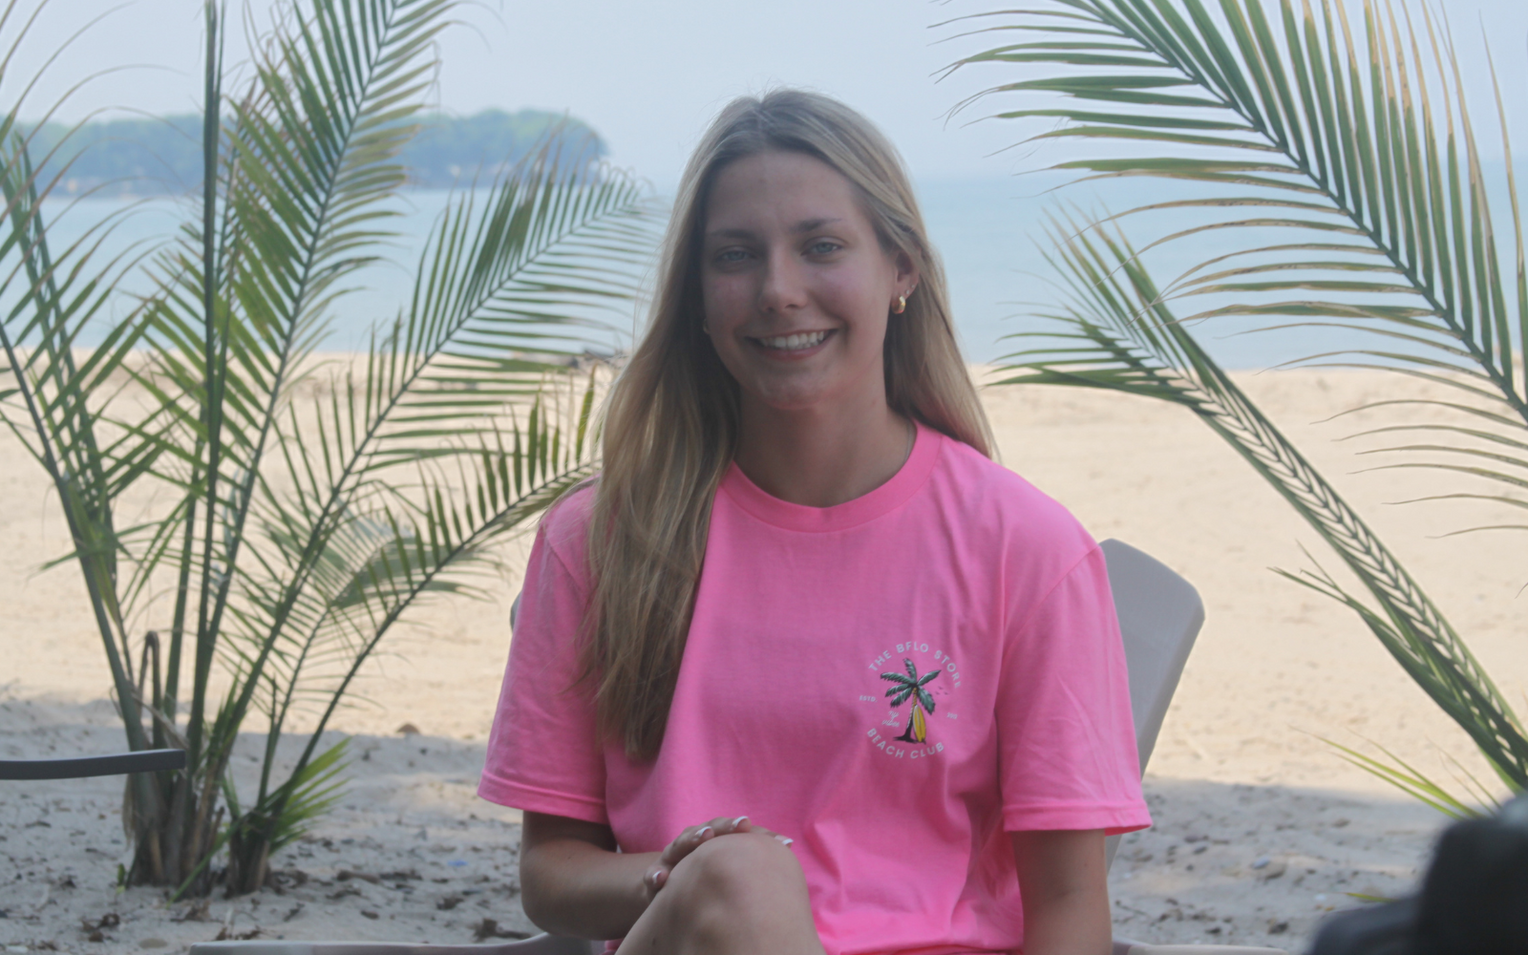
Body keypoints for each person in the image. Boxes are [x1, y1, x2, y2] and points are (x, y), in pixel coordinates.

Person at [478, 89, 1150, 955]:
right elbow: (552, 874)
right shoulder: (602, 541)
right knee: (741, 872)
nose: (778, 291)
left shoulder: (1025, 548)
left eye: (821, 247)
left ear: (901, 267)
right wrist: (687, 882)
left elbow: (1066, 907)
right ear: (696, 292)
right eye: (735, 256)